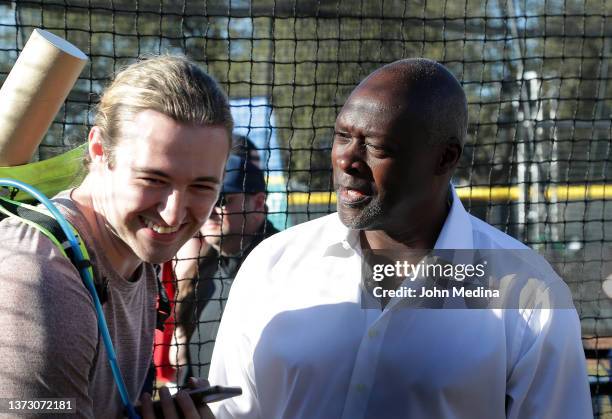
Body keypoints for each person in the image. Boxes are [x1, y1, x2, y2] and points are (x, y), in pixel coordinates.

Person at [208, 58, 592, 418]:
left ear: (445, 158)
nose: (346, 160)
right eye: (342, 136)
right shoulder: (272, 265)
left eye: (376, 146)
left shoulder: (529, 294)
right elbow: (228, 410)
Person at [0, 55, 233, 418]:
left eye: (202, 186)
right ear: (98, 152)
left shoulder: (133, 249)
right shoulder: (43, 277)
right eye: (153, 179)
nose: (173, 213)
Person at [171, 154, 279, 383]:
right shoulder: (202, 270)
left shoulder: (283, 265)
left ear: (258, 203)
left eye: (221, 200)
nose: (209, 211)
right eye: (204, 199)